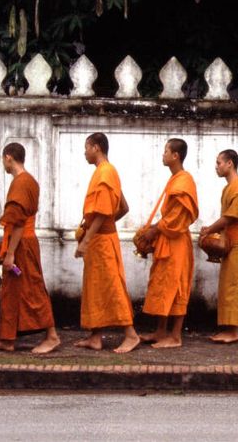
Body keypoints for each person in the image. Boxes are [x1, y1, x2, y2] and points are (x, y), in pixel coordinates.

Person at [0, 143, 60, 354]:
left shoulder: (22, 182)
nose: (3, 164)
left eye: (3, 160)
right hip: (20, 240)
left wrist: (10, 254)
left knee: (32, 288)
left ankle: (52, 336)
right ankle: (7, 339)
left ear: (8, 157)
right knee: (10, 291)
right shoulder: (28, 181)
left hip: (22, 242)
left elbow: (18, 221)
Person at [74, 132, 139, 353]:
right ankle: (95, 336)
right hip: (101, 237)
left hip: (101, 240)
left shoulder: (105, 172)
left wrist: (86, 239)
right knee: (96, 288)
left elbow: (102, 212)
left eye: (87, 147)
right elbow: (123, 207)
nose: (84, 152)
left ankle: (131, 334)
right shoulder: (108, 172)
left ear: (97, 148)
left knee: (112, 286)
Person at [139, 138, 198, 349]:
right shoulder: (174, 179)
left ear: (176, 156)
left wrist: (155, 229)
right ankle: (160, 331)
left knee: (177, 286)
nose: (162, 155)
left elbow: (178, 217)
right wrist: (152, 228)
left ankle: (175, 336)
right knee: (163, 284)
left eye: (166, 151)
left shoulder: (184, 181)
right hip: (167, 240)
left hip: (177, 242)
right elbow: (168, 214)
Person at [199, 149, 238, 344]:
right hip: (230, 242)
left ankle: (233, 332)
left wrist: (209, 230)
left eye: (219, 163)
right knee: (227, 286)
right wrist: (213, 230)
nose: (217, 167)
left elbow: (230, 217)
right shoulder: (228, 188)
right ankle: (228, 329)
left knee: (235, 286)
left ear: (230, 163)